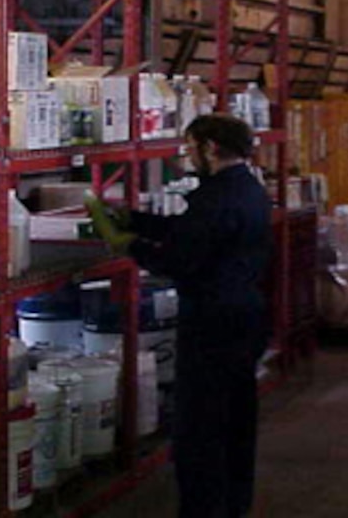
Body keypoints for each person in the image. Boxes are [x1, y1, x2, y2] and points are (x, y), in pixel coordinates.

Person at [87, 113, 273, 518]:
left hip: (212, 322)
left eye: (190, 147)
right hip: (245, 316)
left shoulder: (215, 196)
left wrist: (129, 245)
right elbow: (190, 231)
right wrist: (137, 219)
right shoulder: (247, 189)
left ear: (211, 147)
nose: (187, 156)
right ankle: (232, 505)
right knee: (236, 421)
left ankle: (202, 510)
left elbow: (181, 258)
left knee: (200, 427)